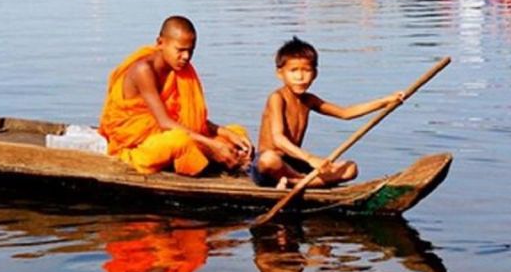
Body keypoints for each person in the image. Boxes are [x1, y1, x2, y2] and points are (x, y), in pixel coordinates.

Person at [98, 15, 252, 177]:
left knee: (238, 132)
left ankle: (212, 157)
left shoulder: (179, 70)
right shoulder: (143, 70)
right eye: (180, 50)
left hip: (169, 132)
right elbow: (165, 122)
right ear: (160, 43)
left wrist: (225, 133)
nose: (186, 57)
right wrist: (212, 145)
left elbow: (184, 117)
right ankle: (208, 160)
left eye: (190, 51)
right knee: (179, 142)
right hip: (137, 145)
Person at [251, 37, 403, 189]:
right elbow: (278, 139)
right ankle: (302, 181)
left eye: (306, 70)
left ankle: (294, 182)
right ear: (280, 73)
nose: (300, 77)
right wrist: (310, 158)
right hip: (269, 168)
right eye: (293, 71)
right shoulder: (277, 98)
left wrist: (384, 102)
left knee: (350, 168)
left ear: (315, 74)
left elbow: (345, 113)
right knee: (269, 159)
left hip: (293, 163)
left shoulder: (309, 100)